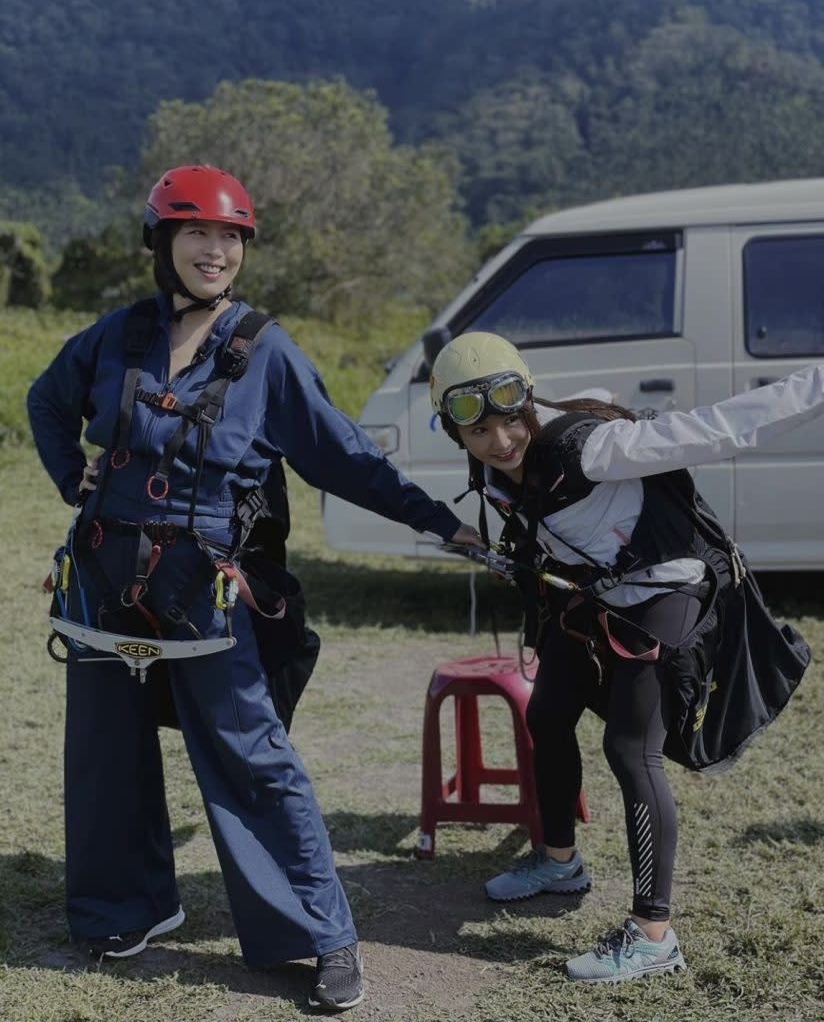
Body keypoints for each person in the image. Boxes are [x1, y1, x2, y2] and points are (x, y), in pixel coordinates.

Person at [27, 164, 480, 1012]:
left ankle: (317, 937)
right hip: (101, 578)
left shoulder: (263, 350)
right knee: (104, 756)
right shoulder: (116, 337)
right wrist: (69, 476)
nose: (216, 250)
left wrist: (438, 520)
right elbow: (47, 401)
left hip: (205, 592)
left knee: (252, 759)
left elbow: (343, 454)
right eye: (198, 233)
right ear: (162, 243)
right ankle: (127, 909)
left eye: (231, 237)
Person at [429, 330, 814, 984]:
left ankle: (653, 935)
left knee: (629, 749)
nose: (500, 442)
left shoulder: (595, 448)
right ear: (456, 434)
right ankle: (558, 861)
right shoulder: (493, 467)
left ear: (527, 401)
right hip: (592, 594)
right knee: (547, 713)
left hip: (667, 590)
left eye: (509, 422)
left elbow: (725, 427)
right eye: (479, 432)